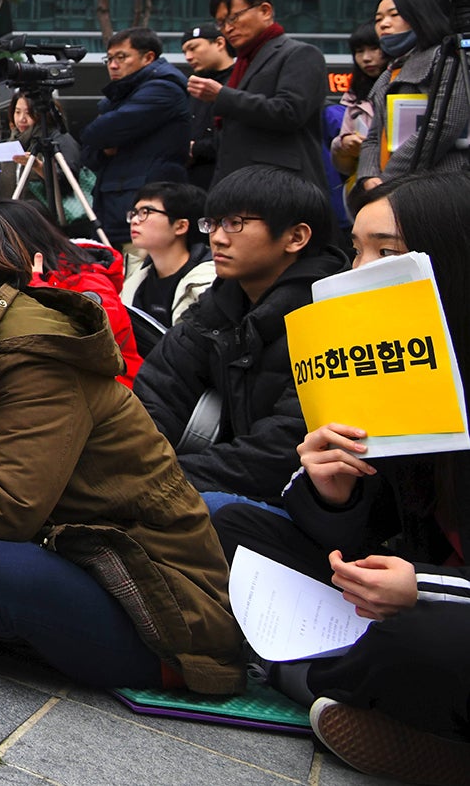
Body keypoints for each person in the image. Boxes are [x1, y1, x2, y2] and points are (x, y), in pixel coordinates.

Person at [0, 201, 243, 692]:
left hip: (158, 594)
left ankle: (157, 669)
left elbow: (6, 509)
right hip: (67, 541)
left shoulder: (32, 351)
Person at [211, 172, 470, 784]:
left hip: (435, 612)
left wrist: (423, 587)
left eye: (386, 251)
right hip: (377, 599)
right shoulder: (378, 359)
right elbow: (364, 534)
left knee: (424, 643)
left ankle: (300, 674)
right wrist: (332, 491)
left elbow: (424, 584)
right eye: (356, 249)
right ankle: (351, 690)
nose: (360, 270)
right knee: (225, 522)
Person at [133, 166, 346, 509]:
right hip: (212, 483)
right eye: (213, 224)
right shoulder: (215, 308)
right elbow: (155, 397)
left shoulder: (331, 317)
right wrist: (130, 470)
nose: (217, 238)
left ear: (296, 237)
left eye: (235, 223)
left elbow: (284, 448)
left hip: (306, 506)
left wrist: (163, 479)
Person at [186, 0, 329, 191]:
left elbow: (290, 112)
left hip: (282, 185)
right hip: (236, 183)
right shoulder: (242, 63)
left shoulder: (299, 54)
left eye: (234, 18)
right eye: (221, 23)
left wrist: (222, 96)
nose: (228, 28)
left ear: (265, 11)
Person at [0, 198, 142, 387]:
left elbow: (93, 339)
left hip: (115, 389)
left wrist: (38, 291)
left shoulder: (86, 277)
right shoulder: (15, 281)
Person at [78, 28, 191, 247]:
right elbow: (89, 153)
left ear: (148, 57)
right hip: (116, 204)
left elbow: (97, 132)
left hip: (147, 206)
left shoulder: (164, 88)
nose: (113, 65)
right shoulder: (121, 95)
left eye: (121, 57)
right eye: (109, 58)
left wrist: (102, 137)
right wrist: (103, 147)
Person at [354, 0, 464, 195]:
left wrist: (389, 177)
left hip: (438, 188)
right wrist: (368, 177)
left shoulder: (447, 59)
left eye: (394, 15)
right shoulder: (390, 72)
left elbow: (443, 126)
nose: (384, 24)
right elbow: (374, 136)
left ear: (419, 14)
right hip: (392, 188)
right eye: (378, 19)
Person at [0, 88, 92, 233]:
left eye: (28, 113)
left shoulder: (58, 140)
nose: (22, 119)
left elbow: (68, 183)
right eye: (17, 112)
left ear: (43, 114)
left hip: (46, 228)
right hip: (10, 225)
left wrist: (38, 166)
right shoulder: (10, 143)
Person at [119, 181, 215, 328]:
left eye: (145, 212)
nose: (134, 220)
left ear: (181, 226)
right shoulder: (131, 277)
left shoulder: (207, 284)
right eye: (134, 213)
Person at [330, 21, 387, 179]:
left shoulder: (403, 84)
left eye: (374, 48)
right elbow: (344, 168)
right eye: (359, 51)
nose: (366, 58)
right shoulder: (354, 96)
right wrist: (343, 145)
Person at [181, 23, 235, 188]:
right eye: (185, 52)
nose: (188, 57)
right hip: (194, 185)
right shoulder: (192, 88)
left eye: (193, 48)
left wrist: (195, 148)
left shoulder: (242, 81)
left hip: (229, 181)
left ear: (219, 43)